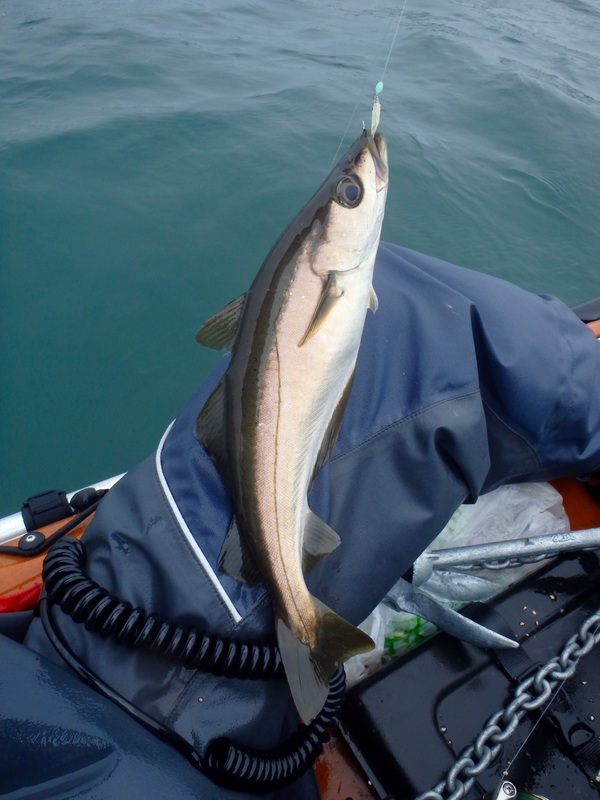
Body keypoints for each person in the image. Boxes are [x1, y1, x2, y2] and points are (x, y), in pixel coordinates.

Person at [3, 243, 600, 799]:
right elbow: (441, 342)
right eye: (350, 195)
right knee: (411, 316)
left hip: (64, 691)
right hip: (103, 708)